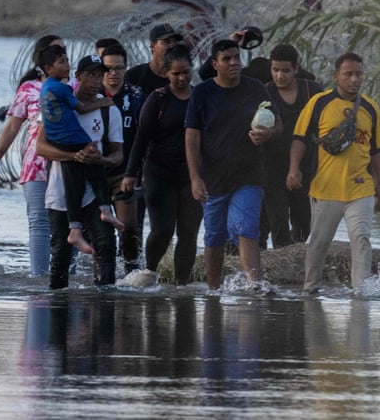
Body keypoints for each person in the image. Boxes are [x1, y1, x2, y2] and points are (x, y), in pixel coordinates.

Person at [287, 53, 380, 292]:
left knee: (361, 238)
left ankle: (361, 292)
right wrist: (294, 168)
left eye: (358, 74)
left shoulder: (371, 108)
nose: (354, 79)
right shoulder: (319, 103)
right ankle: (310, 289)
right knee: (319, 243)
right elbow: (299, 139)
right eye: (348, 74)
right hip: (325, 187)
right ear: (336, 76)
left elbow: (378, 152)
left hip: (360, 187)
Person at [186, 39, 280, 290]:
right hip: (213, 176)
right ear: (215, 64)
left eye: (237, 57)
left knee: (247, 228)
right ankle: (213, 290)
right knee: (214, 235)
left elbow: (278, 124)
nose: (234, 62)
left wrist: (268, 134)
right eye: (227, 59)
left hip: (249, 173)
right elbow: (192, 137)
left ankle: (255, 284)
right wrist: (195, 178)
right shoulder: (202, 92)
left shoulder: (256, 88)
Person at [35, 60, 124, 288]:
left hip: (94, 190)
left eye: (99, 76)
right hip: (60, 189)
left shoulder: (108, 110)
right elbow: (41, 148)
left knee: (105, 243)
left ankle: (105, 299)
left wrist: (100, 160)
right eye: (91, 75)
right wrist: (74, 157)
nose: (96, 81)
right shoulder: (58, 100)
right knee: (60, 254)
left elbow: (117, 155)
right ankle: (57, 303)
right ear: (78, 75)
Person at [121, 44, 202, 286]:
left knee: (188, 232)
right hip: (159, 173)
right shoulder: (157, 99)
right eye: (176, 73)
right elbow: (141, 138)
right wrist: (130, 174)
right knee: (163, 229)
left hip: (192, 175)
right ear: (167, 72)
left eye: (186, 72)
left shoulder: (199, 97)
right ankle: (150, 272)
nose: (182, 78)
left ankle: (182, 284)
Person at [0, 34, 63, 276]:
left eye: (65, 51)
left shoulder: (74, 86)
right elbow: (11, 127)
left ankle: (64, 274)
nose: (63, 56)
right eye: (57, 51)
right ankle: (39, 277)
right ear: (43, 59)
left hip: (66, 163)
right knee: (39, 222)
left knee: (67, 222)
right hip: (35, 165)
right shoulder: (29, 89)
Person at [261, 43, 322, 247]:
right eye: (275, 70)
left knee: (303, 222)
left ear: (296, 69)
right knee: (277, 222)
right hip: (272, 166)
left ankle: (298, 263)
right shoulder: (265, 91)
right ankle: (280, 263)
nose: (280, 76)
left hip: (305, 165)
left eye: (285, 70)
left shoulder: (312, 90)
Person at [101, 44, 146, 273]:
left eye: (119, 68)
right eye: (108, 68)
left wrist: (141, 169)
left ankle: (132, 271)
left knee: (129, 227)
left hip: (125, 171)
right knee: (97, 228)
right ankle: (100, 272)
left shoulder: (136, 96)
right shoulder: (90, 94)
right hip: (95, 171)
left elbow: (146, 134)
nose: (113, 74)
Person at [125, 23, 182, 97]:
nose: (172, 45)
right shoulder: (134, 76)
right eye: (167, 41)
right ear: (153, 46)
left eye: (175, 42)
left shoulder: (179, 79)